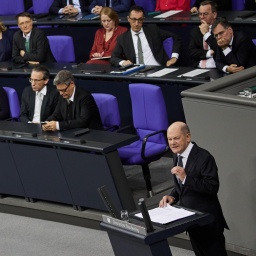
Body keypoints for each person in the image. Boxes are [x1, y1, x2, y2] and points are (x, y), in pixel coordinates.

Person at [159, 121, 229, 256]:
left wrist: (186, 178)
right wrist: (173, 196)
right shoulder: (177, 155)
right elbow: (182, 187)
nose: (172, 142)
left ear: (188, 137)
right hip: (191, 221)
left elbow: (212, 187)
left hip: (208, 222)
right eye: (169, 139)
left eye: (176, 138)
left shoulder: (204, 157)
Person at [110, 5, 182, 67]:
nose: (137, 23)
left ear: (143, 19)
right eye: (134, 20)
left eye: (140, 20)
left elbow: (175, 37)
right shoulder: (123, 38)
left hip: (158, 69)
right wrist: (123, 63)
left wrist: (174, 57)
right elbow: (114, 58)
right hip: (137, 73)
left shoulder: (153, 30)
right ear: (128, 19)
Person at [189, 1, 218, 68]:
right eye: (200, 14)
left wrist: (206, 34)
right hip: (198, 66)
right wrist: (209, 53)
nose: (202, 17)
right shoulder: (196, 30)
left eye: (205, 14)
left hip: (217, 67)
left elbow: (219, 49)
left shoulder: (220, 29)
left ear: (214, 14)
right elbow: (192, 52)